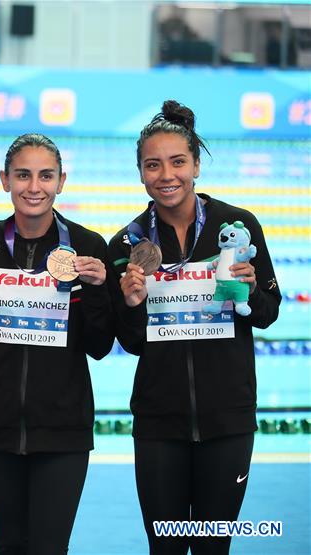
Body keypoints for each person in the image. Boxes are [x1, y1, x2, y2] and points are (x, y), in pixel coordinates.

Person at [108, 100, 281, 554]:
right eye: (153, 165)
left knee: (212, 547)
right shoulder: (126, 243)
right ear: (141, 173)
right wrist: (129, 303)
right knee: (165, 547)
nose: (167, 175)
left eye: (178, 162)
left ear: (196, 165)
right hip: (159, 423)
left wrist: (251, 291)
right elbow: (131, 341)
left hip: (228, 420)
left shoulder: (238, 226)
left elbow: (268, 312)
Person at [0, 133, 114, 554]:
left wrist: (100, 290)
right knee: (7, 544)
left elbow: (100, 345)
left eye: (45, 176)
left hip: (63, 429)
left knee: (49, 546)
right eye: (23, 175)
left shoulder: (87, 246)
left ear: (61, 181)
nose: (34, 187)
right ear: (4, 180)